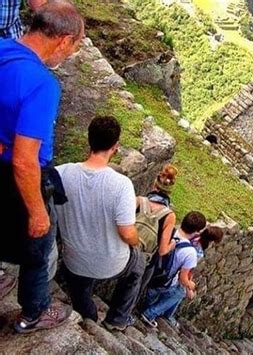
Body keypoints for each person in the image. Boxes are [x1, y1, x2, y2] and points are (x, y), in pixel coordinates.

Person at [0, 1, 84, 333]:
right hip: (17, 176)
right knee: (38, 248)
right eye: (73, 48)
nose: (69, 55)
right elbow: (25, 160)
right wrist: (37, 211)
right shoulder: (41, 83)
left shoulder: (4, 48)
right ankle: (33, 313)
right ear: (63, 39)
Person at [56, 116, 145, 331]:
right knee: (138, 265)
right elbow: (126, 232)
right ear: (115, 147)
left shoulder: (60, 173)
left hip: (74, 261)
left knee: (80, 288)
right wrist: (137, 242)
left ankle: (89, 318)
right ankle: (117, 319)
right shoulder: (121, 185)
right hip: (112, 264)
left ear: (89, 140)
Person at [140, 211, 207, 328]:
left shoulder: (170, 231)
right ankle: (149, 313)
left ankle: (144, 308)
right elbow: (182, 279)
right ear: (197, 231)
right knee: (180, 292)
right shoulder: (190, 253)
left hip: (151, 274)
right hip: (164, 282)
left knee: (152, 294)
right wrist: (190, 285)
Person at [163, 225, 224, 326]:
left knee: (179, 292)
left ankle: (167, 315)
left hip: (175, 265)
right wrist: (188, 287)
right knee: (180, 293)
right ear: (211, 240)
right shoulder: (198, 251)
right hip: (179, 272)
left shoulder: (195, 236)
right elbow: (189, 269)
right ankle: (157, 314)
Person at [137, 164, 179, 295]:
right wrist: (173, 244)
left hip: (124, 248)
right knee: (134, 289)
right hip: (144, 260)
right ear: (170, 191)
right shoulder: (169, 215)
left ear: (154, 185)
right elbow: (162, 250)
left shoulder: (139, 201)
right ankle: (124, 314)